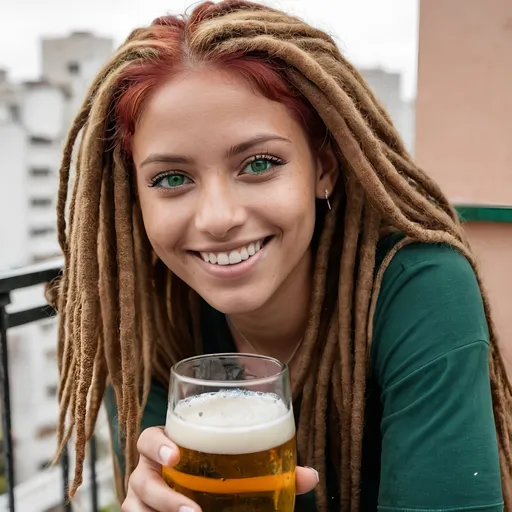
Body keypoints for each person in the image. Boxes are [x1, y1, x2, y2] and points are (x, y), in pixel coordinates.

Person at [46, 1, 512, 511]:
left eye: (259, 164)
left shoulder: (421, 287)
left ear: (324, 167)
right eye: (172, 178)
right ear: (136, 198)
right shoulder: (138, 314)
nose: (217, 217)